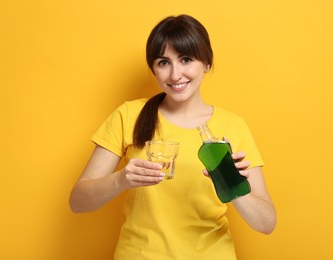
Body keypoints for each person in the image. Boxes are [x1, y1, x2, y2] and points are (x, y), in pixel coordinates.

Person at [69, 14, 276, 259]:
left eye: (186, 59)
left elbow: (266, 223)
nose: (175, 74)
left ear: (207, 63)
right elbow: (78, 202)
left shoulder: (233, 127)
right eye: (163, 62)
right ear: (153, 69)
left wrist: (231, 185)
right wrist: (121, 180)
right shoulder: (129, 115)